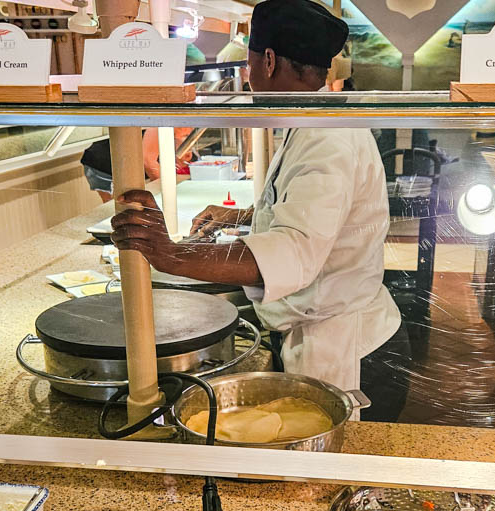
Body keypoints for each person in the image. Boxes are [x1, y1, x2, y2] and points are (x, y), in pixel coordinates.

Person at [111, 0, 411, 422]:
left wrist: (171, 254)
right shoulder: (309, 120)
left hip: (351, 353)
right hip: (332, 333)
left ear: (268, 60)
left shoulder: (327, 139)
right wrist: (244, 216)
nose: (248, 76)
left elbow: (296, 251)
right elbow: (313, 214)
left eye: (249, 62)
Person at [82, 128, 196, 203]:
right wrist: (169, 192)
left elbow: (183, 157)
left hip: (121, 163)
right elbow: (148, 162)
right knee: (118, 206)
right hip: (102, 164)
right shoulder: (159, 124)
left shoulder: (183, 128)